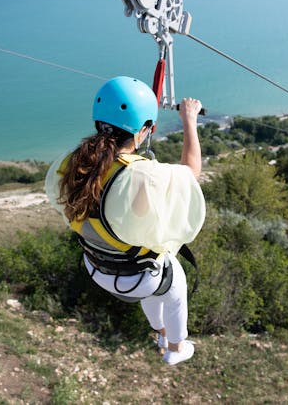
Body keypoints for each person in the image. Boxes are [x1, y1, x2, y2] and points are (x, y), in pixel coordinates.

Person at [45, 76, 205, 365]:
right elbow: (191, 172)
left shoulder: (73, 163)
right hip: (134, 276)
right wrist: (189, 120)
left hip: (97, 267)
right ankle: (176, 348)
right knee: (174, 283)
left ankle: (159, 332)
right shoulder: (140, 174)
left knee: (155, 280)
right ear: (144, 131)